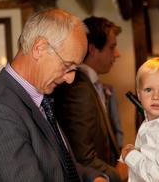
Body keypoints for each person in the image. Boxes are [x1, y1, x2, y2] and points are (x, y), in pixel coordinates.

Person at [0, 8, 107, 182]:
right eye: (67, 66)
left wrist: (95, 177)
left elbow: (60, 166)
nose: (70, 79)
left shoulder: (36, 95)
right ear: (39, 48)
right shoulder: (0, 112)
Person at [52, 16, 127, 182]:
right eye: (112, 47)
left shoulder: (91, 83)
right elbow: (83, 157)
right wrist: (119, 174)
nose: (117, 54)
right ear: (92, 49)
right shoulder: (78, 88)